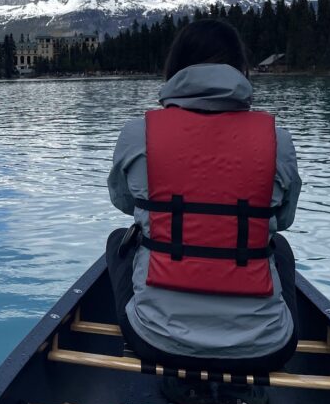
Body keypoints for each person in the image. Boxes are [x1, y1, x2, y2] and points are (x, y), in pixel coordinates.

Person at [106, 19, 302, 375]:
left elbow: (124, 204)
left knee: (119, 241)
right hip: (267, 346)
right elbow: (284, 220)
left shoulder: (137, 133)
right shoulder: (278, 139)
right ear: (241, 69)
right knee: (281, 249)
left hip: (155, 338)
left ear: (175, 68)